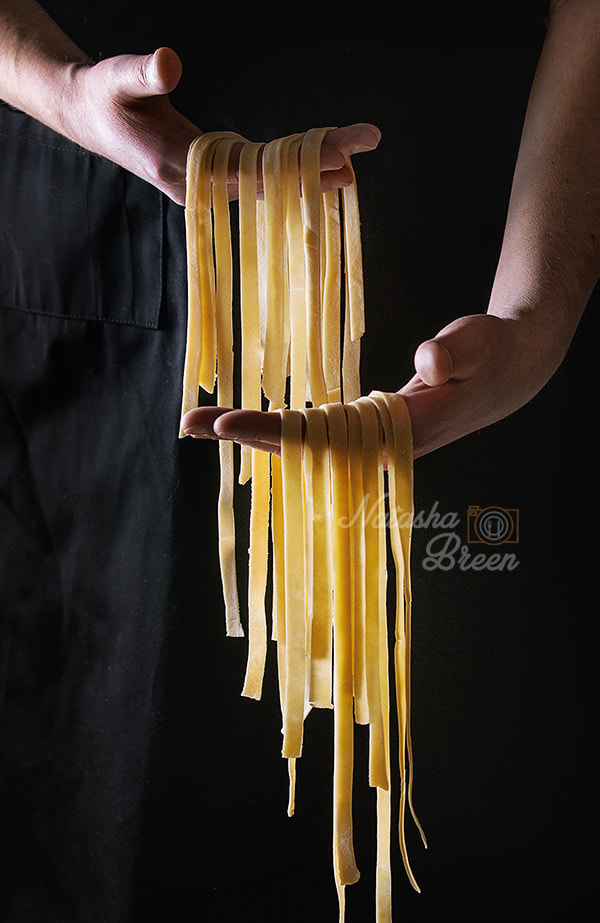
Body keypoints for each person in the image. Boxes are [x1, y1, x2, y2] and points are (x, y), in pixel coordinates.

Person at [0, 2, 596, 922]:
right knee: (101, 792)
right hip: (85, 243)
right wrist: (58, 87)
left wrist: (537, 310)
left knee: (481, 763)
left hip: (473, 255)